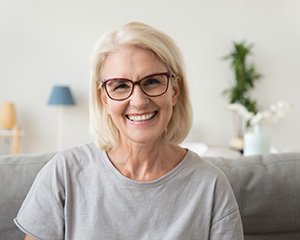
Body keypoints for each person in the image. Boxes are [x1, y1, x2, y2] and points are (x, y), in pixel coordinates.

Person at [15, 22, 244, 239]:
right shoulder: (64, 172)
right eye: (121, 85)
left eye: (152, 81)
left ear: (174, 91)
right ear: (104, 98)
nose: (139, 100)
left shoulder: (211, 185)